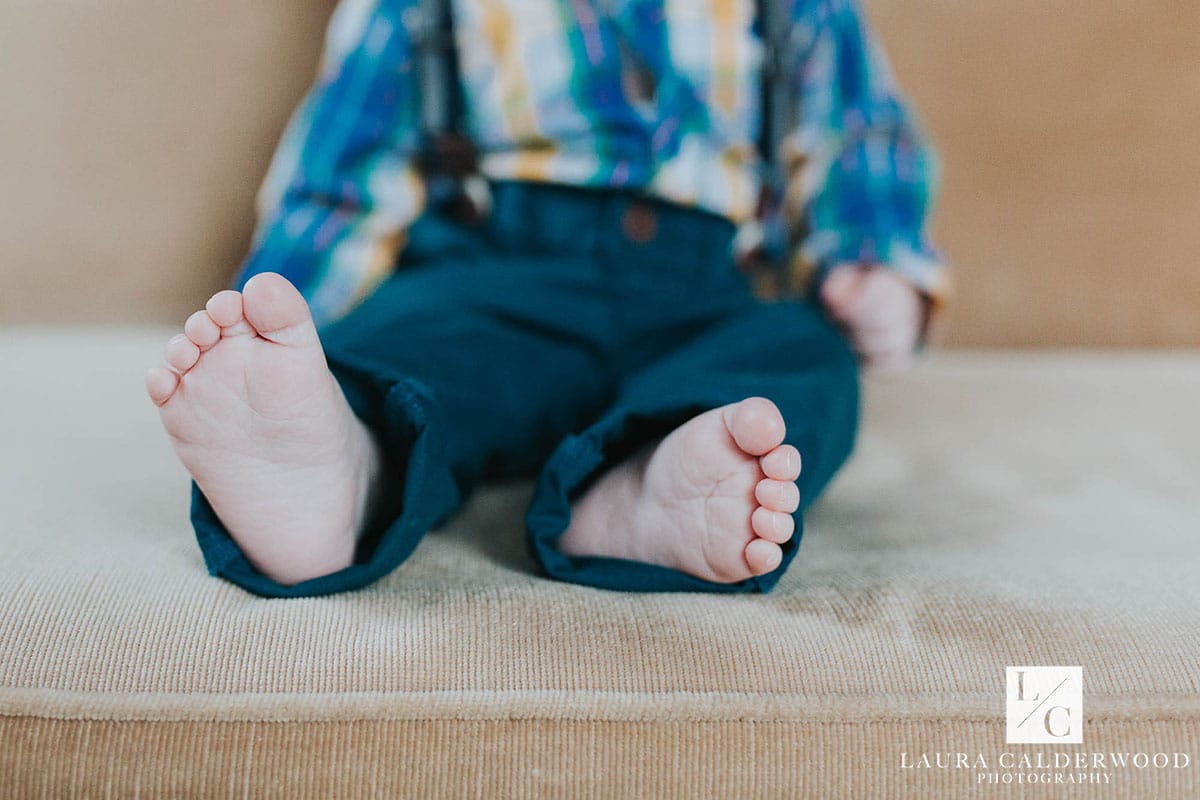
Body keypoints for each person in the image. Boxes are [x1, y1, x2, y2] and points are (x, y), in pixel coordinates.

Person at [144, 0, 947, 598]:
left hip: (706, 295)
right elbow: (348, 162)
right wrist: (279, 324)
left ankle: (647, 484)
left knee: (800, 355)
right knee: (414, 340)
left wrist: (873, 264)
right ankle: (342, 465)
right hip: (501, 272)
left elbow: (856, 130)